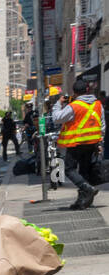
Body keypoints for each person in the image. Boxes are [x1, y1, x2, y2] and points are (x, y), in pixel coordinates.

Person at [50, 78, 104, 210]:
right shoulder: (98, 104)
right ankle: (82, 202)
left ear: (74, 93)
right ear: (88, 90)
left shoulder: (74, 106)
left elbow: (57, 118)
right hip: (92, 143)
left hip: (77, 143)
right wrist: (100, 142)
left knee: (68, 168)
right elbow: (102, 124)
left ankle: (87, 189)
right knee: (84, 171)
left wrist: (58, 103)